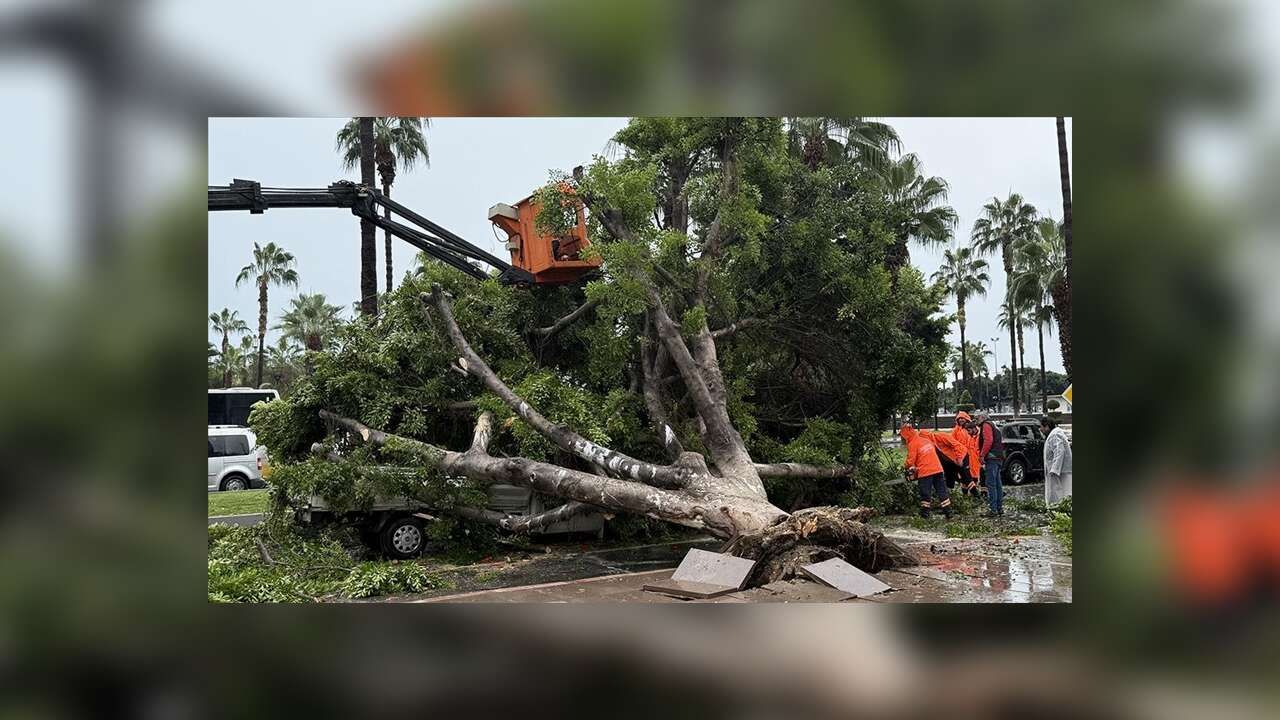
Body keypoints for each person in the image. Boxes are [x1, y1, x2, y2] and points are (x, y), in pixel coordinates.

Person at [901, 424, 952, 519]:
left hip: (926, 471)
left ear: (906, 435)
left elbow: (910, 461)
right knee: (941, 490)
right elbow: (923, 456)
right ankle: (948, 512)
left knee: (925, 492)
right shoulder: (925, 440)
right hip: (938, 468)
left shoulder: (913, 443)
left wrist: (906, 467)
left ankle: (925, 514)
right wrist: (914, 468)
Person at [922, 428, 972, 495]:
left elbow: (956, 445)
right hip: (949, 461)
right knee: (949, 479)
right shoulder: (930, 444)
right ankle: (952, 496)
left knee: (966, 477)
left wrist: (959, 458)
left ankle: (977, 497)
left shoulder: (942, 436)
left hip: (961, 456)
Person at [976, 411, 1005, 516]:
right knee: (998, 484)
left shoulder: (986, 425)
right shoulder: (994, 425)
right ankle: (999, 508)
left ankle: (993, 509)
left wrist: (982, 455)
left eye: (977, 418)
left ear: (983, 417)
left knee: (991, 484)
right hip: (998, 457)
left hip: (991, 458)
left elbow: (988, 440)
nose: (976, 420)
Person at [1040, 415, 1073, 506]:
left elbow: (1059, 451)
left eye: (1041, 427)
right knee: (1061, 492)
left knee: (1059, 493)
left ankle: (1058, 509)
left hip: (1059, 472)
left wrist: (1054, 469)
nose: (1040, 429)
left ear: (1047, 426)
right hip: (1060, 471)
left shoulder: (1054, 435)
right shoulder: (1054, 434)